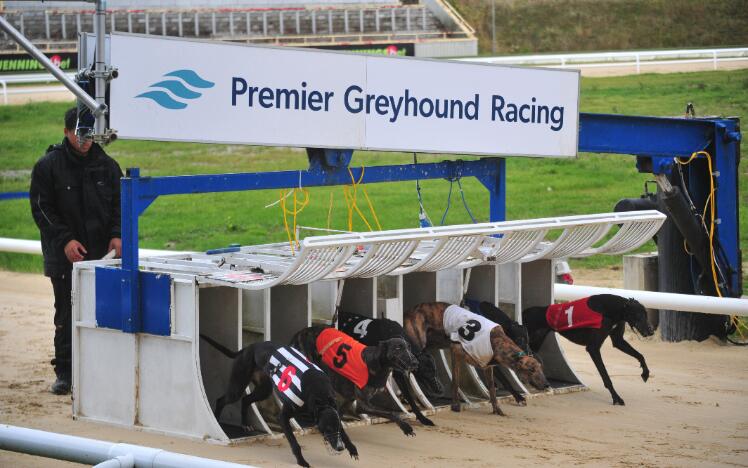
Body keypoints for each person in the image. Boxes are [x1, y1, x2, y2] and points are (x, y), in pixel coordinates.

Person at [30, 107, 123, 395]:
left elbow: (119, 206)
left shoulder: (109, 167)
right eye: (79, 134)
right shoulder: (47, 167)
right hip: (65, 257)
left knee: (104, 312)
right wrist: (65, 241)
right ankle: (66, 373)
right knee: (67, 314)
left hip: (102, 257)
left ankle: (99, 370)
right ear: (67, 132)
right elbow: (42, 209)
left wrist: (117, 235)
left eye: (89, 135)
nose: (84, 141)